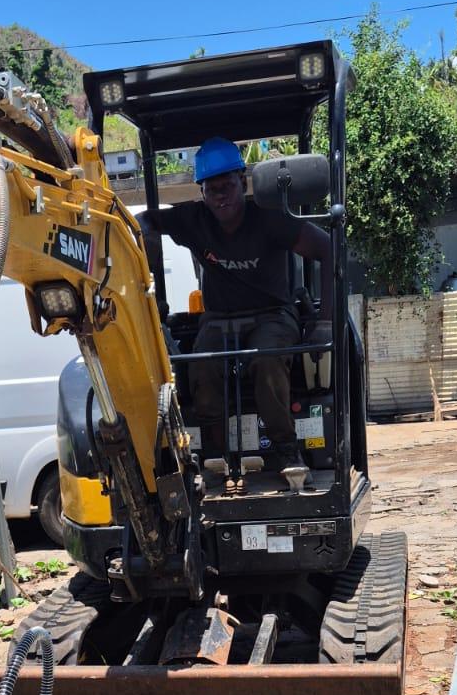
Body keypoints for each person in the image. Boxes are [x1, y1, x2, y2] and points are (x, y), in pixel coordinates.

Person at [138, 136, 333, 474]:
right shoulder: (192, 220)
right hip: (218, 319)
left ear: (242, 182)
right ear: (202, 191)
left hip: (272, 315)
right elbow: (147, 220)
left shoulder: (270, 218)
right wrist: (147, 238)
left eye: (227, 184)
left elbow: (328, 248)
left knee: (267, 358)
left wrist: (325, 323)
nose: (220, 195)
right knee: (201, 363)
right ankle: (214, 454)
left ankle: (287, 450)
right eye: (212, 188)